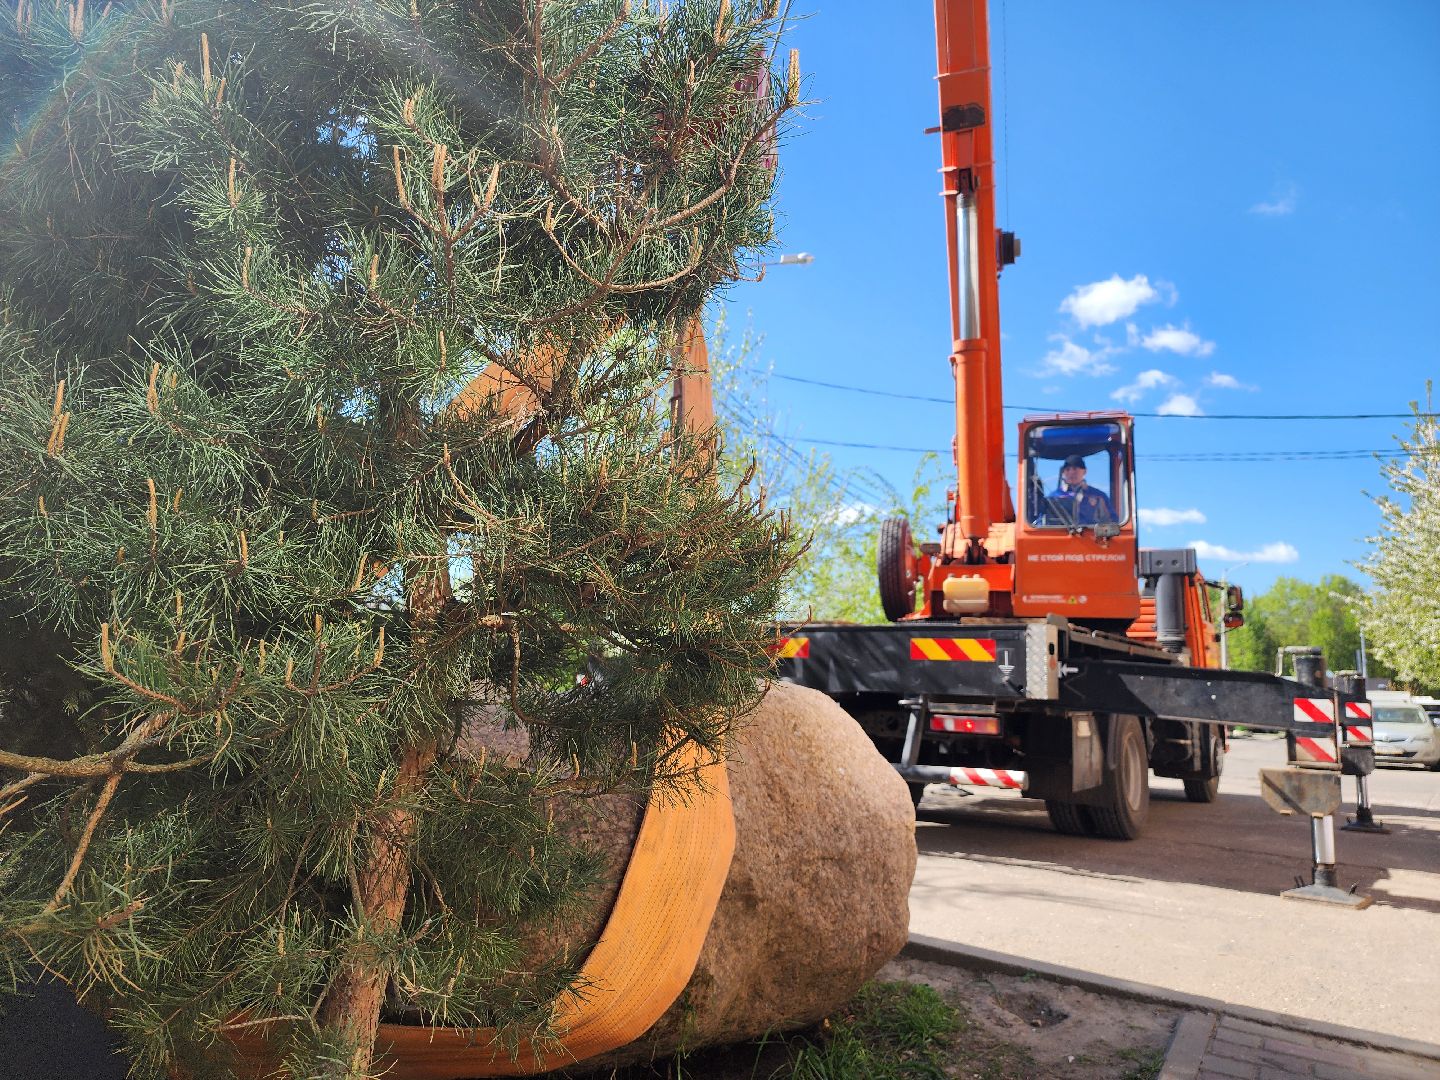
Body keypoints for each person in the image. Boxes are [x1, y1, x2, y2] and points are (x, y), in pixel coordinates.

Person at [1045, 454, 1114, 525]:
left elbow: (1112, 521)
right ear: (1063, 472)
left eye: (1075, 468)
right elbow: (1044, 523)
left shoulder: (1099, 496)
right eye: (1067, 469)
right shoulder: (1053, 496)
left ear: (1084, 471)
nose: (1071, 472)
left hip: (1091, 535)